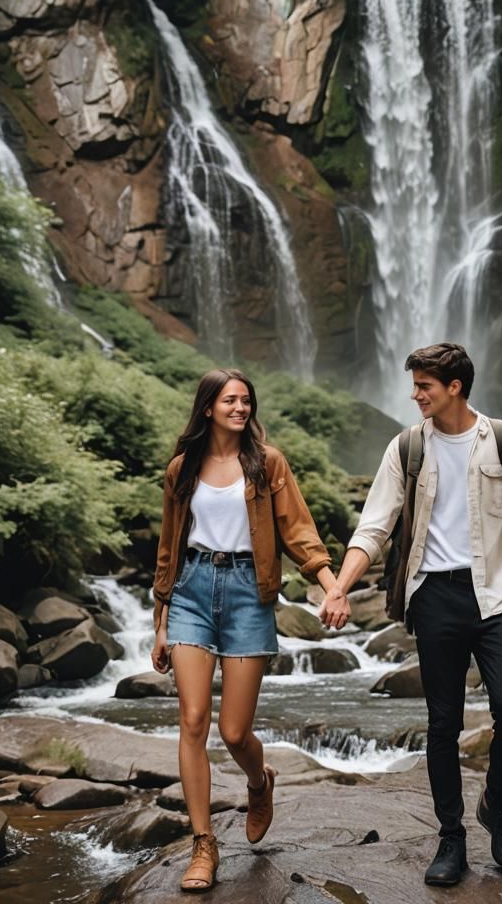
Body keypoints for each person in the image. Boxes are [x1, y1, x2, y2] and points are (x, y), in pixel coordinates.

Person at [319, 343, 502, 887]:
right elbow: (373, 528)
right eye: (414, 384)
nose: (415, 394)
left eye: (424, 386)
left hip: (497, 596)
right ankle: (451, 836)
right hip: (435, 596)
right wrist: (339, 588)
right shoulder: (406, 448)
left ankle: (495, 803)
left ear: (455, 388)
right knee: (442, 723)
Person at [151, 368, 349, 892]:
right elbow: (169, 549)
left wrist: (331, 585)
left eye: (245, 400)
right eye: (230, 400)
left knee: (234, 731)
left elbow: (299, 532)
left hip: (248, 592)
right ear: (209, 407)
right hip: (192, 590)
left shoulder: (267, 464)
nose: (240, 408)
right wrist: (161, 621)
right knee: (192, 719)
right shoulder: (181, 468)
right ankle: (203, 844)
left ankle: (259, 784)